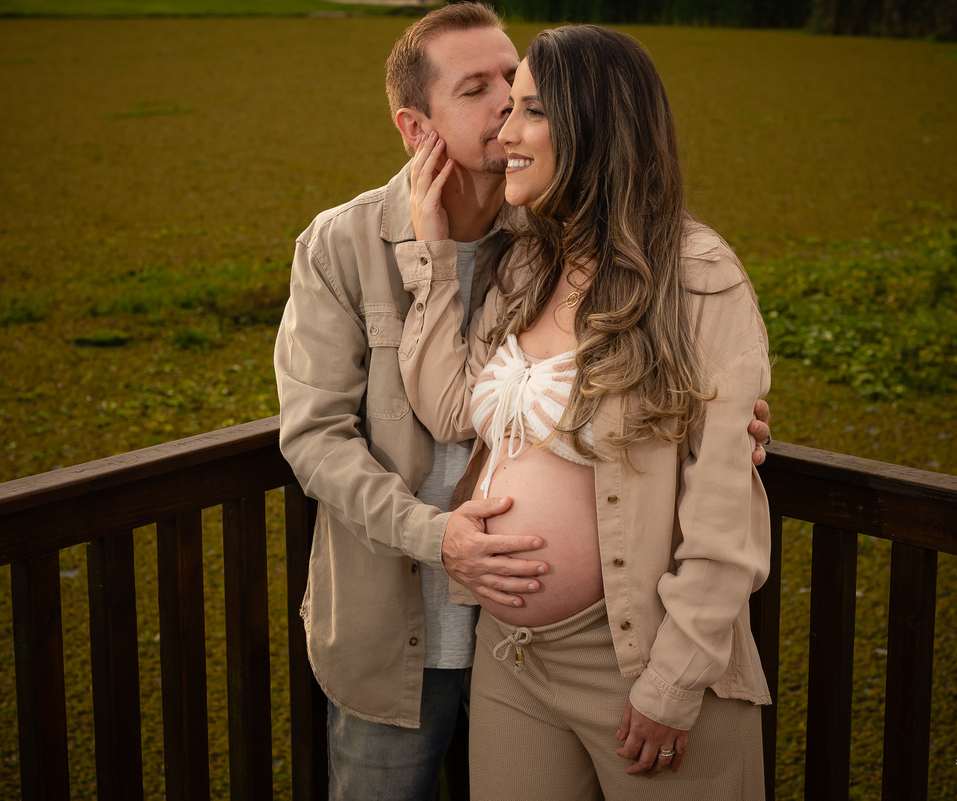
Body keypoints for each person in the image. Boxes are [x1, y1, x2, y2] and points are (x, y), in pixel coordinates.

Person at [274, 5, 772, 799]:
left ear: (594, 129)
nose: (507, 111)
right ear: (416, 125)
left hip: (619, 649)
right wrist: (435, 255)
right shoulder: (413, 250)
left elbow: (717, 500)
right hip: (462, 645)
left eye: (525, 94)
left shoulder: (641, 262)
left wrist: (674, 678)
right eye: (483, 90)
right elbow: (393, 421)